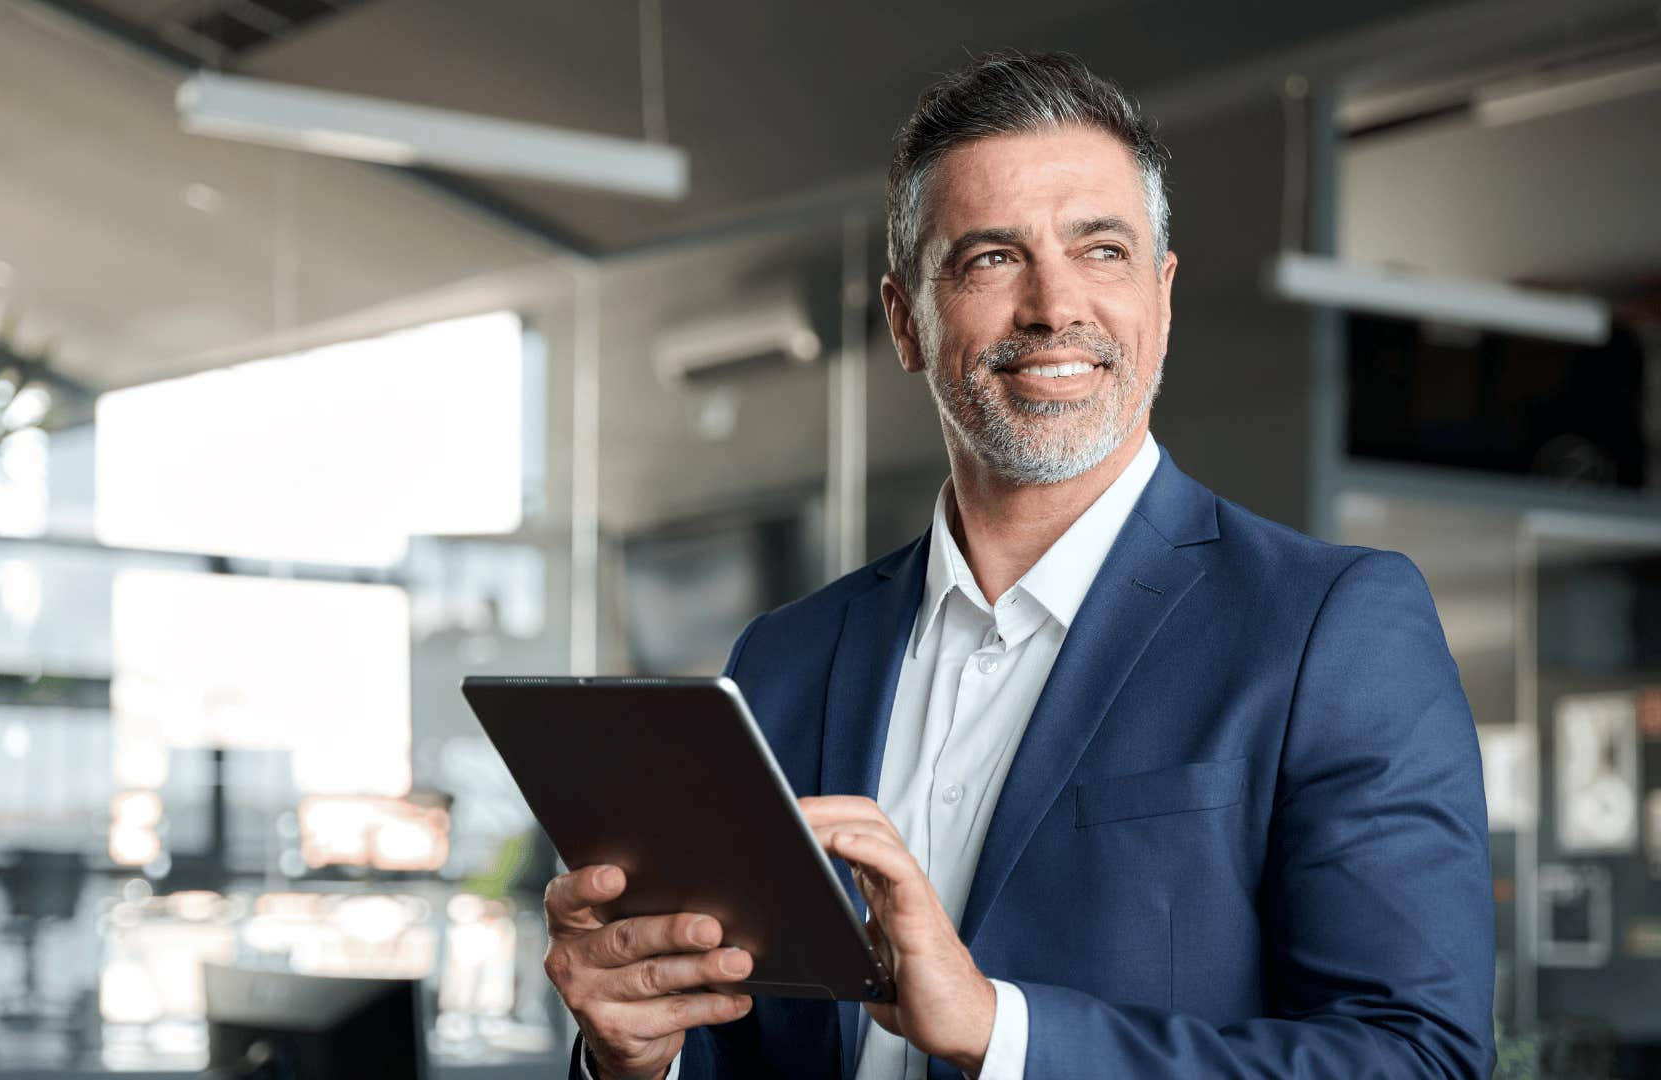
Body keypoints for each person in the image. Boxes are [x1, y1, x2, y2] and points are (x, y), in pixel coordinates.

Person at [542, 50, 1494, 1079]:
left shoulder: (1331, 626)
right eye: (992, 256)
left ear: (1161, 298)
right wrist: (637, 1058)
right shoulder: (786, 658)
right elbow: (744, 1041)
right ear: (907, 320)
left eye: (1102, 251)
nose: (1054, 306)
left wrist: (1005, 1033)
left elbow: (1420, 1059)